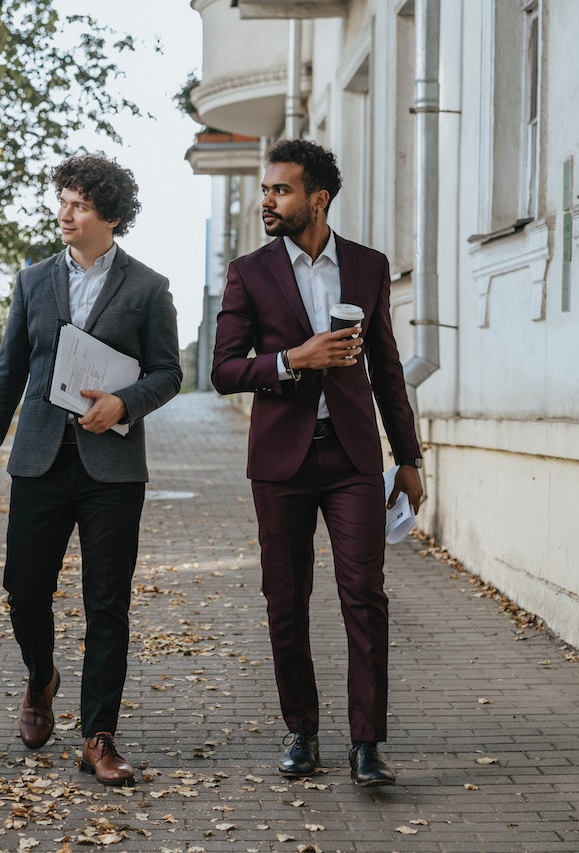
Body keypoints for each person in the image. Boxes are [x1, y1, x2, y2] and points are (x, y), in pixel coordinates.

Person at [211, 139, 423, 787]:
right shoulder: (250, 271)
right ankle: (301, 730)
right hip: (281, 460)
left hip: (354, 457)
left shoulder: (368, 266)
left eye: (280, 190)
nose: (266, 201)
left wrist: (408, 457)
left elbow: (387, 369)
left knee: (365, 595)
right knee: (287, 597)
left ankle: (367, 743)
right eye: (265, 189)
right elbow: (221, 369)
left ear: (317, 199)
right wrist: (291, 360)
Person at [0, 155, 181, 787]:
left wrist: (126, 402)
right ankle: (40, 677)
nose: (66, 212)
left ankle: (98, 736)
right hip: (39, 459)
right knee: (24, 589)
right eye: (62, 200)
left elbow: (167, 372)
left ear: (111, 216)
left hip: (112, 469)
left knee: (106, 605)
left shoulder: (148, 287)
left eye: (81, 204)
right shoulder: (33, 281)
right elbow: (8, 371)